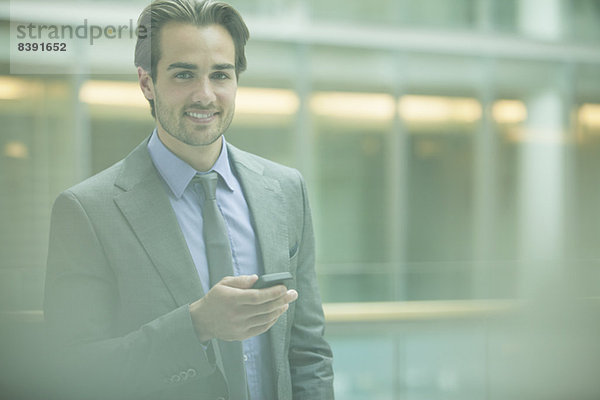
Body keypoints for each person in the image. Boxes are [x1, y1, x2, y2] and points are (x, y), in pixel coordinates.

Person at [43, 0, 334, 399]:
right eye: (183, 75)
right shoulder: (88, 210)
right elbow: (69, 369)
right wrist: (196, 325)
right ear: (147, 83)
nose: (205, 95)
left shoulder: (285, 190)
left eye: (220, 75)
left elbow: (308, 352)